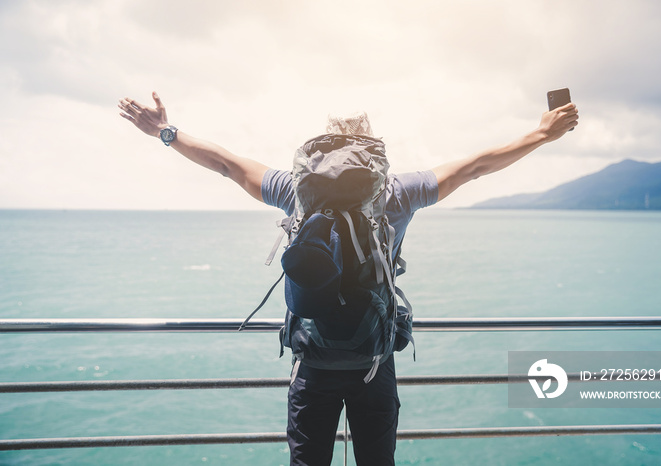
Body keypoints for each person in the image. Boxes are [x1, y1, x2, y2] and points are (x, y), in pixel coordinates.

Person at [118, 92, 578, 465]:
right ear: (371, 150)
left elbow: (228, 165)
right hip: (372, 362)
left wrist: (164, 131)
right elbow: (476, 166)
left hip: (313, 361)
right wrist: (541, 134)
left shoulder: (295, 191)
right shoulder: (397, 192)